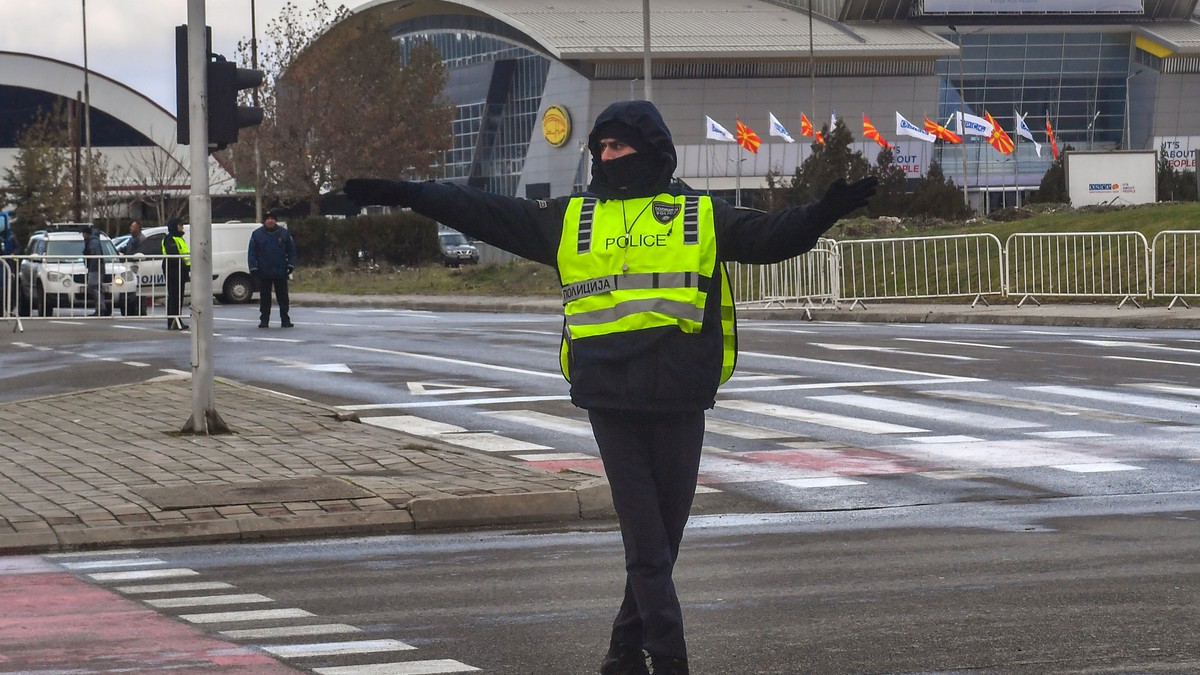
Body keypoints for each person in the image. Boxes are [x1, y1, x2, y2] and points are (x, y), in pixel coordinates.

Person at [345, 100, 877, 675]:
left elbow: (770, 237)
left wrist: (823, 211)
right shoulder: (573, 217)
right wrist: (411, 193)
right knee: (647, 541)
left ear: (648, 149)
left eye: (617, 147)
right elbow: (484, 211)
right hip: (610, 397)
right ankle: (670, 657)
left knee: (663, 541)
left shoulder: (697, 214)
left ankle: (623, 653)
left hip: (679, 394)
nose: (605, 156)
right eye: (599, 148)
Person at [247, 212, 297, 328]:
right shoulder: (257, 234)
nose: (270, 221)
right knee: (265, 298)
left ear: (275, 220)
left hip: (280, 271)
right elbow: (252, 253)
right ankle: (264, 320)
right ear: (264, 221)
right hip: (263, 272)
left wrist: (290, 265)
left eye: (272, 218)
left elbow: (292, 251)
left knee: (283, 297)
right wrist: (253, 267)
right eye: (268, 219)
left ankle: (285, 319)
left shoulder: (284, 233)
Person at [161, 218, 190, 330]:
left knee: (179, 297)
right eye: (180, 225)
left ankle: (177, 320)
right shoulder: (170, 239)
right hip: (173, 271)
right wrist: (185, 266)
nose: (182, 227)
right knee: (174, 297)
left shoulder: (179, 239)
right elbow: (174, 256)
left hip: (180, 271)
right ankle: (173, 321)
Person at [80, 225, 110, 316]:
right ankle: (101, 308)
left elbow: (95, 255)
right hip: (96, 268)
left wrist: (92, 267)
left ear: (86, 233)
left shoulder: (93, 242)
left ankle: (101, 308)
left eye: (83, 233)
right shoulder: (93, 241)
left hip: (95, 268)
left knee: (93, 286)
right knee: (97, 288)